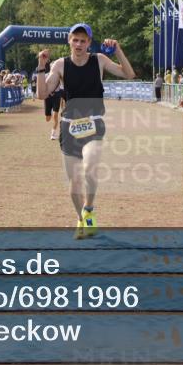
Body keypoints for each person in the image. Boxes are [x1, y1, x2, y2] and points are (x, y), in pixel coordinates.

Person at [36, 24, 134, 239]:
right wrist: (41, 67)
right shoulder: (60, 65)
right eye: (75, 40)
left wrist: (118, 50)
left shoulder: (99, 60)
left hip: (93, 123)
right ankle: (82, 217)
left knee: (89, 168)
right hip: (69, 125)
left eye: (83, 40)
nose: (79, 44)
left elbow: (128, 74)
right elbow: (42, 94)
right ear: (69, 41)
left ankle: (89, 208)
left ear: (89, 43)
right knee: (74, 183)